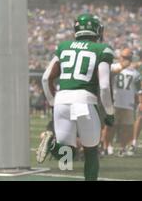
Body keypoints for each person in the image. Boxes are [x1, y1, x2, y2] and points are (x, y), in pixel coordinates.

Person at [37, 13, 115, 181]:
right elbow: (104, 86)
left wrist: (53, 102)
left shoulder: (64, 46)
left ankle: (51, 143)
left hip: (62, 100)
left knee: (67, 153)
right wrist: (109, 113)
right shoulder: (102, 49)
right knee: (91, 150)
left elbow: (45, 78)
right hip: (85, 102)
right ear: (96, 30)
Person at [104, 49, 140, 156]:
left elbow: (137, 89)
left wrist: (136, 102)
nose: (125, 60)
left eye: (128, 58)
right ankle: (107, 146)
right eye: (124, 57)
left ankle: (122, 148)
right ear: (120, 57)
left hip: (127, 104)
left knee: (126, 128)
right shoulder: (113, 67)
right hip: (114, 102)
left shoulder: (135, 73)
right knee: (110, 126)